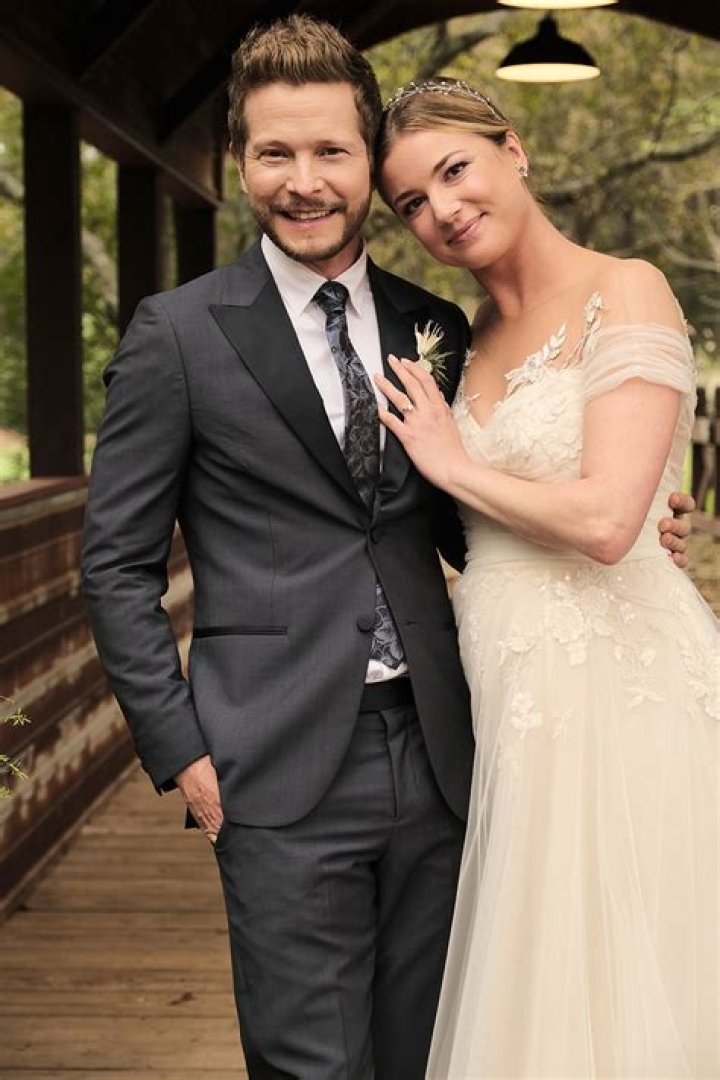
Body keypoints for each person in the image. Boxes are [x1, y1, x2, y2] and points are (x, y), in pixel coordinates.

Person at [80, 15, 693, 1077]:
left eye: (331, 151)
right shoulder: (177, 334)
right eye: (275, 153)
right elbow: (115, 563)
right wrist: (179, 748)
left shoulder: (436, 324)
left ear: (366, 161)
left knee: (439, 1050)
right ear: (239, 162)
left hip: (458, 747)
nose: (304, 181)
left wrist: (641, 519)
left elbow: (466, 518)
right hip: (274, 758)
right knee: (311, 1061)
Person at [373, 77, 718, 1078]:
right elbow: (473, 525)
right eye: (412, 202)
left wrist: (454, 464)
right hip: (507, 692)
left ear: (513, 150)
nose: (443, 209)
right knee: (540, 981)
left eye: (455, 170)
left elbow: (609, 522)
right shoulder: (459, 338)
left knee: (638, 973)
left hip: (623, 684)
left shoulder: (629, 288)